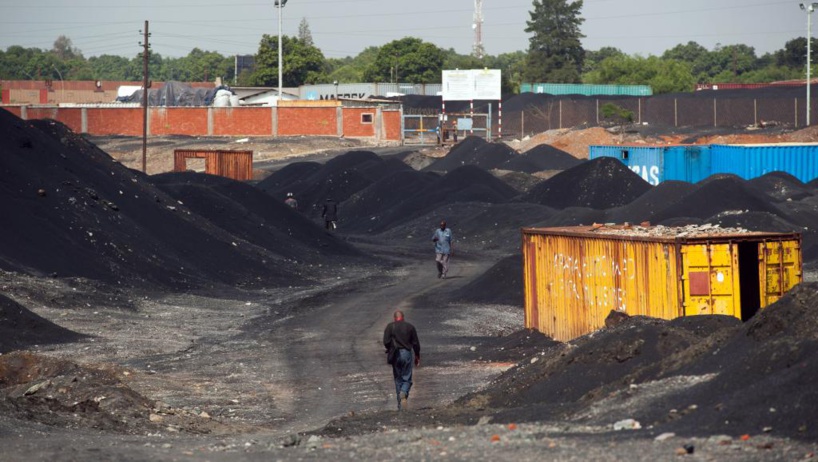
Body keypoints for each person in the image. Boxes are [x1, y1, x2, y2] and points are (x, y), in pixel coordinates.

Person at [383, 310, 420, 411]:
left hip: (395, 355)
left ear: (394, 318)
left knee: (398, 379)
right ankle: (404, 392)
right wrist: (417, 355)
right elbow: (416, 343)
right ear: (403, 317)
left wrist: (390, 348)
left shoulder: (390, 327)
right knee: (407, 378)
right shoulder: (410, 327)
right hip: (406, 353)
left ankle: (400, 406)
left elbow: (386, 341)